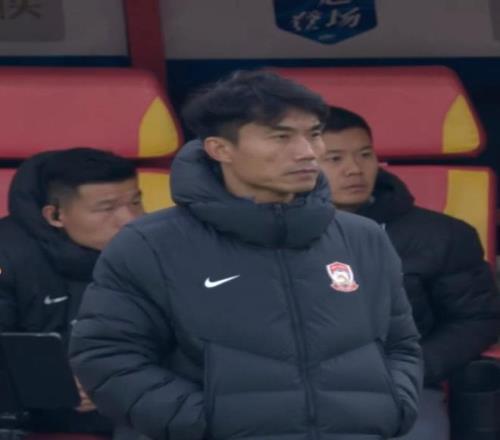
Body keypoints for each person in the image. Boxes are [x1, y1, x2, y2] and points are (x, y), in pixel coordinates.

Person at [70, 70, 422, 440]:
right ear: (220, 149)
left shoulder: (363, 237)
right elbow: (108, 356)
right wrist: (206, 423)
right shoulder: (149, 244)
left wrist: (392, 407)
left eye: (314, 134)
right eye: (281, 137)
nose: (307, 152)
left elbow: (400, 343)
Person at [319, 106, 500, 440]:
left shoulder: (442, 235)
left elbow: (476, 319)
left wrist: (411, 369)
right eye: (334, 159)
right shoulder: (260, 233)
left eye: (365, 155)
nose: (354, 169)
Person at [0, 147, 144, 435]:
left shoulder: (156, 247)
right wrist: (50, 381)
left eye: (136, 201)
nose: (131, 219)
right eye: (106, 208)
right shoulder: (8, 256)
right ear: (55, 215)